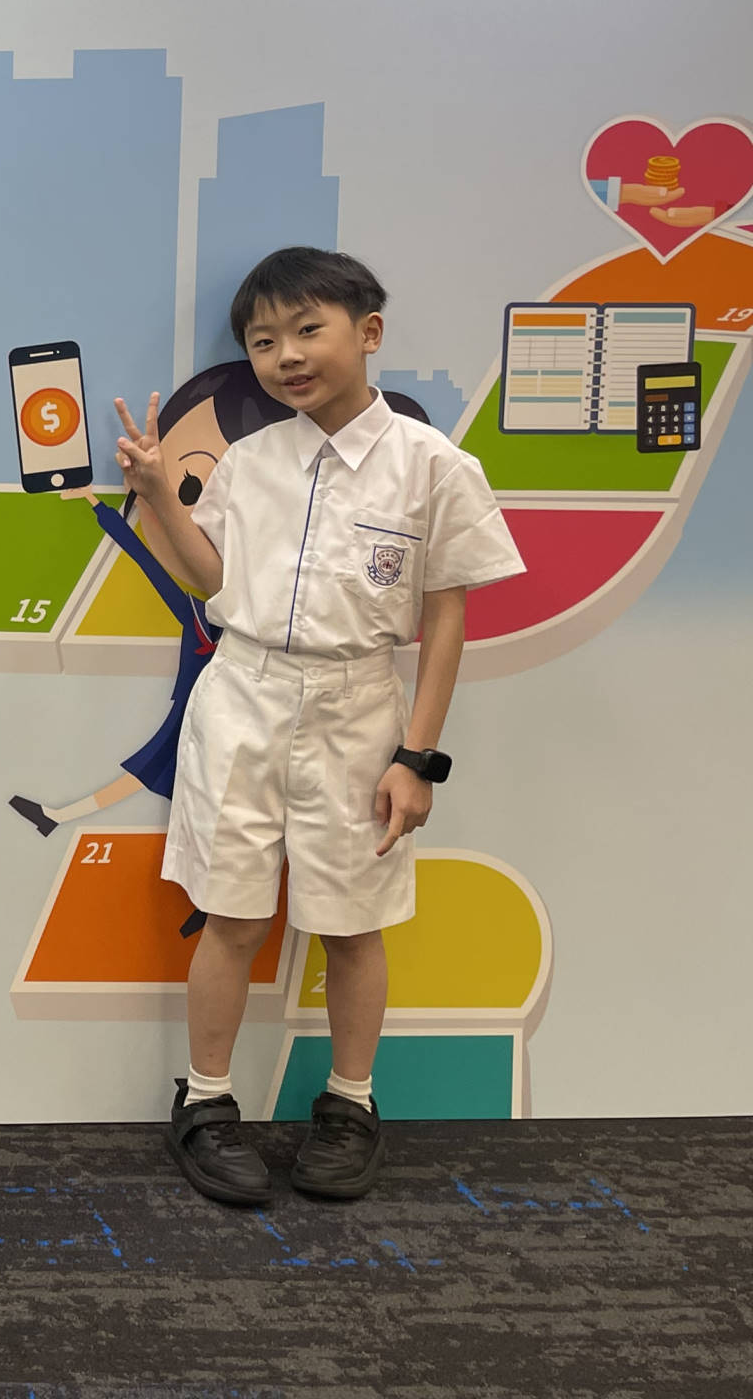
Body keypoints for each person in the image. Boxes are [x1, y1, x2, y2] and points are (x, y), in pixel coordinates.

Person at [113, 247, 523, 1206]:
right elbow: (210, 580)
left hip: (359, 706)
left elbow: (447, 620)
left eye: (307, 329)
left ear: (368, 332)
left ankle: (350, 1103)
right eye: (263, 342)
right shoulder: (252, 462)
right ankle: (205, 1101)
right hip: (244, 696)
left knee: (353, 923)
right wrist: (154, 490)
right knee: (233, 915)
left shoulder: (434, 467)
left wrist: (416, 757)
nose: (286, 356)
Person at [9, 361, 438, 844]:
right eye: (192, 487)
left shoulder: (414, 472)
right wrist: (122, 501)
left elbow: (445, 615)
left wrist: (417, 759)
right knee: (190, 805)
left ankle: (58, 814)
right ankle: (59, 814)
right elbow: (171, 568)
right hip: (221, 708)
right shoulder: (206, 607)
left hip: (327, 724)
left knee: (175, 781)